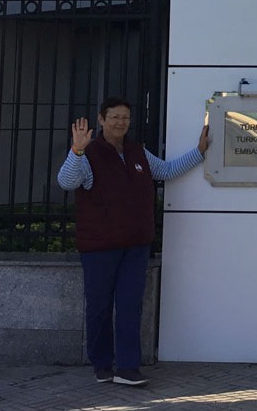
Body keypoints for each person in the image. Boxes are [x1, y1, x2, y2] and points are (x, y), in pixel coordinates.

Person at [57, 96, 209, 386]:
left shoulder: (137, 152)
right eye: (114, 117)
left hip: (135, 246)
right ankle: (102, 365)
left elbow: (165, 171)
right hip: (100, 247)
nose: (121, 122)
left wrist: (199, 152)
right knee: (100, 307)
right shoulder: (89, 153)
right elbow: (66, 181)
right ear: (102, 120)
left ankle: (128, 368)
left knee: (130, 306)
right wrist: (76, 150)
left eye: (125, 117)